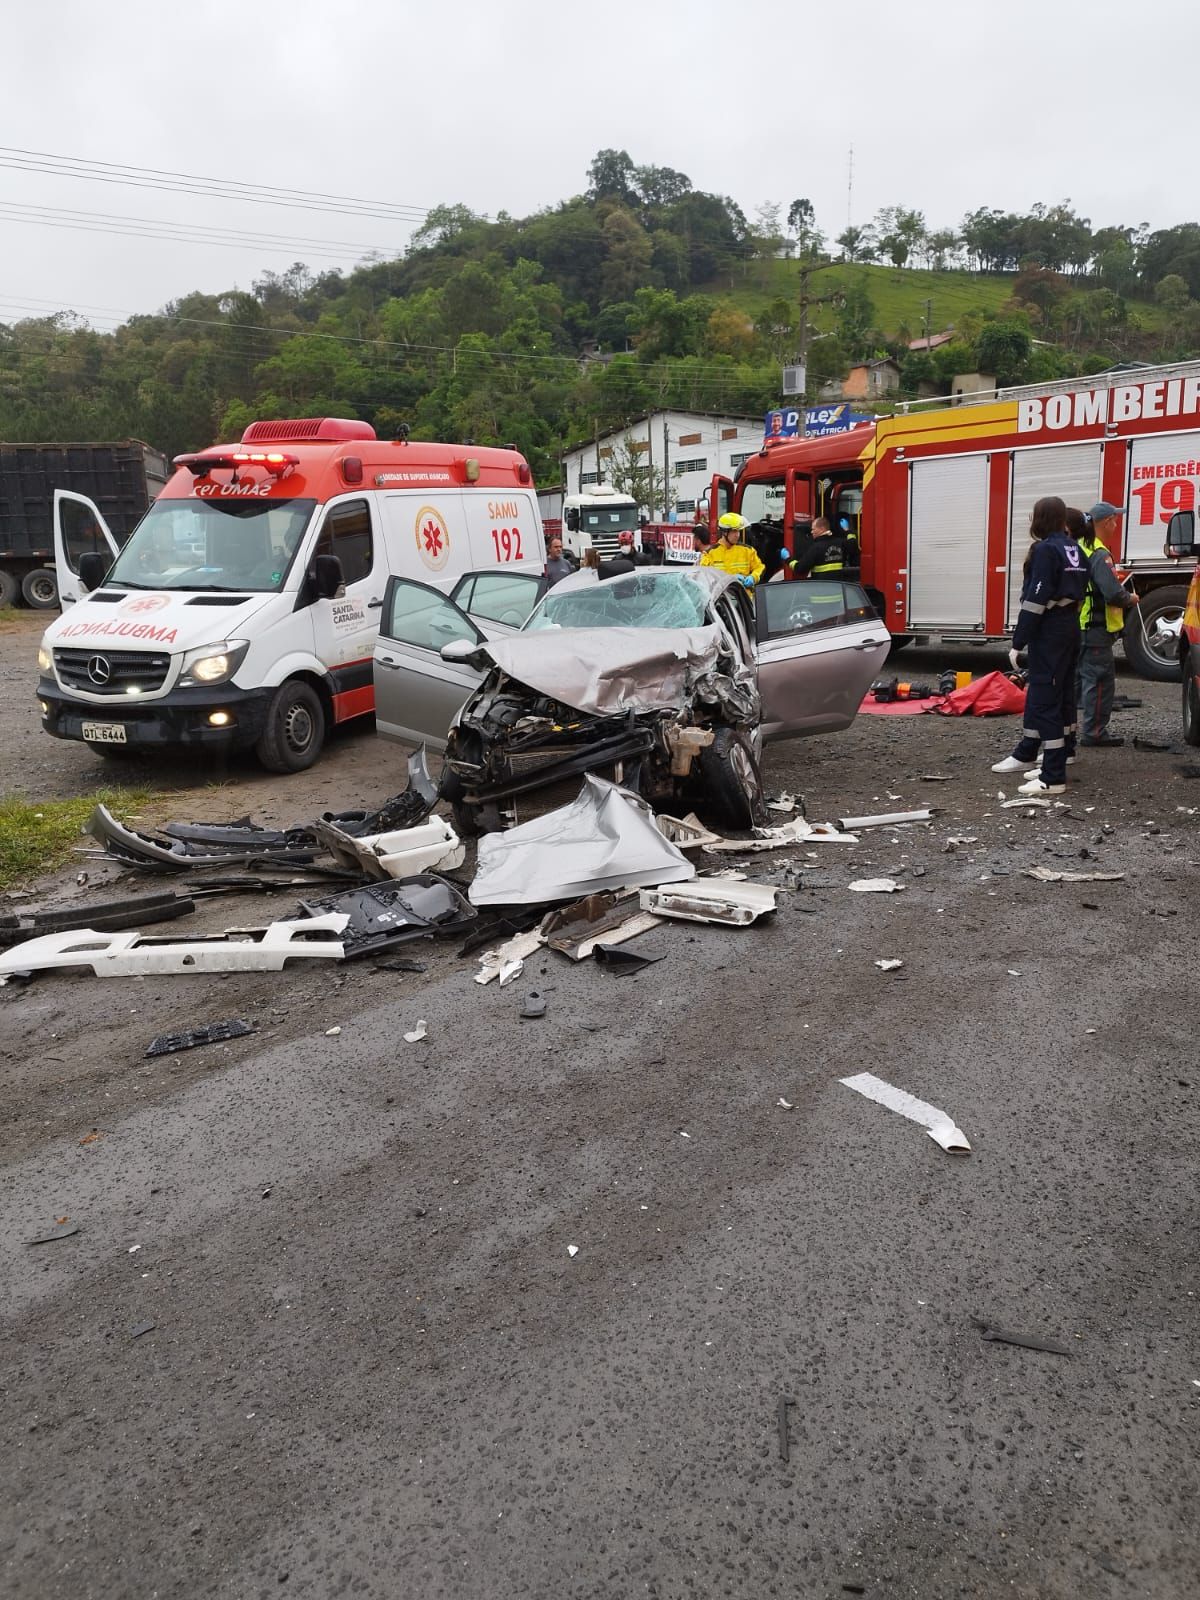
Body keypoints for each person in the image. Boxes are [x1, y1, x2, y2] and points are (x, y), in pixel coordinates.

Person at [990, 495, 1087, 795]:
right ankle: (1041, 755)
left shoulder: (1046, 550)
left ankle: (1052, 776)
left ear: (1040, 519)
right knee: (1062, 694)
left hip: (1051, 631)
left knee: (1045, 698)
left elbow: (1036, 599)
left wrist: (1018, 641)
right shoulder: (1074, 548)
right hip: (1070, 626)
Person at [1075, 500, 1137, 747]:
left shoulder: (1079, 546)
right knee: (1099, 682)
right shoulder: (1100, 554)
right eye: (1115, 521)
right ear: (1106, 522)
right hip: (1096, 629)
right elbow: (1113, 594)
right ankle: (1095, 733)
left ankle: (1068, 730)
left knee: (1079, 681)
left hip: (1079, 626)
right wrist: (1130, 598)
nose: (1116, 526)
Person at [699, 512, 765, 588]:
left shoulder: (748, 551)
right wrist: (730, 578)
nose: (737, 535)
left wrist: (753, 577)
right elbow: (704, 577)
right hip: (722, 595)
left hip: (743, 595)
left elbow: (760, 568)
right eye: (734, 531)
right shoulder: (710, 554)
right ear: (724, 532)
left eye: (738, 531)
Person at [788, 514, 861, 579]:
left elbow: (800, 569)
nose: (811, 532)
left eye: (813, 529)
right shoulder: (839, 542)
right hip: (837, 587)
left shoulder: (816, 548)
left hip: (821, 587)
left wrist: (787, 559)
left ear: (822, 529)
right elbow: (853, 544)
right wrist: (847, 530)